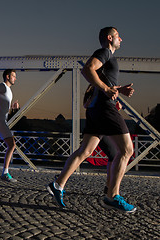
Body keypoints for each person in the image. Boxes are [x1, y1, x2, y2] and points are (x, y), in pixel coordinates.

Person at [47, 27, 137, 212]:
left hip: (97, 109)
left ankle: (58, 185)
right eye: (119, 36)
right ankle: (112, 196)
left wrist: (118, 90)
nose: (122, 39)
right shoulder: (105, 52)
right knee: (127, 150)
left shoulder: (108, 57)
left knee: (85, 151)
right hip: (105, 108)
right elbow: (87, 70)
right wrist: (106, 89)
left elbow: (102, 81)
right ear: (110, 38)